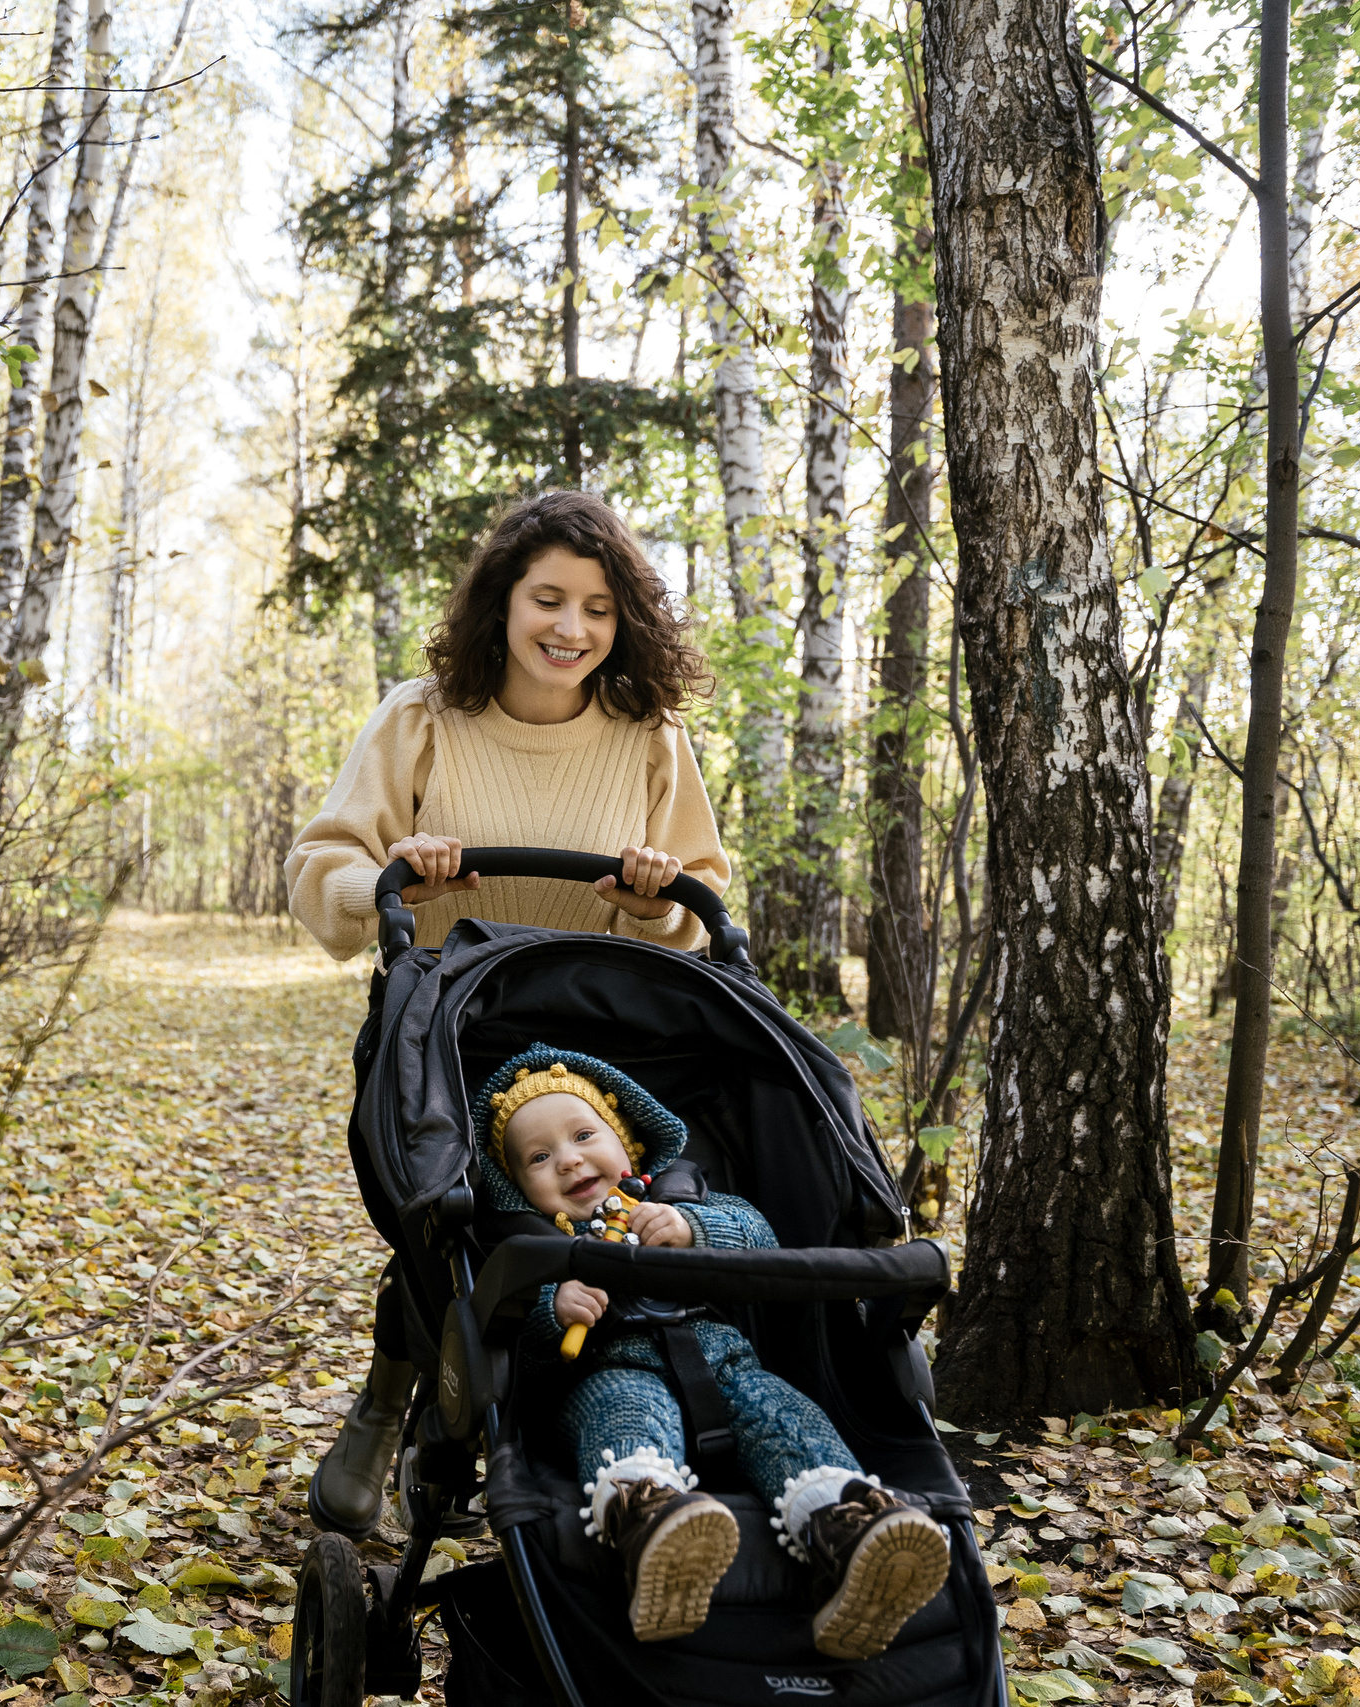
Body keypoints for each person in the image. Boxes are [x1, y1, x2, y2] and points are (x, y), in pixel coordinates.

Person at [282, 491, 732, 1540]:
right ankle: (390, 1403)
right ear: (503, 601)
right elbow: (321, 867)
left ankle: (605, 1419)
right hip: (442, 1030)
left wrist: (656, 901)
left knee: (604, 1228)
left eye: (599, 609)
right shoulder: (422, 717)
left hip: (598, 1042)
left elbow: (705, 903)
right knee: (449, 1226)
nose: (571, 629)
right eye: (548, 599)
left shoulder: (648, 738)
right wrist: (390, 876)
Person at [481, 1044, 950, 1653]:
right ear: (520, 1186)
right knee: (623, 1410)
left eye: (583, 1135)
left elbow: (761, 1238)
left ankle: (849, 1527)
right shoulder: (534, 1244)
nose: (568, 1161)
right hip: (612, 1368)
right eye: (539, 1158)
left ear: (626, 1140)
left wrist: (691, 1229)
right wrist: (554, 1306)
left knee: (784, 1414)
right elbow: (518, 1349)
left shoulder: (683, 1197)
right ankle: (653, 1524)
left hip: (727, 1362)